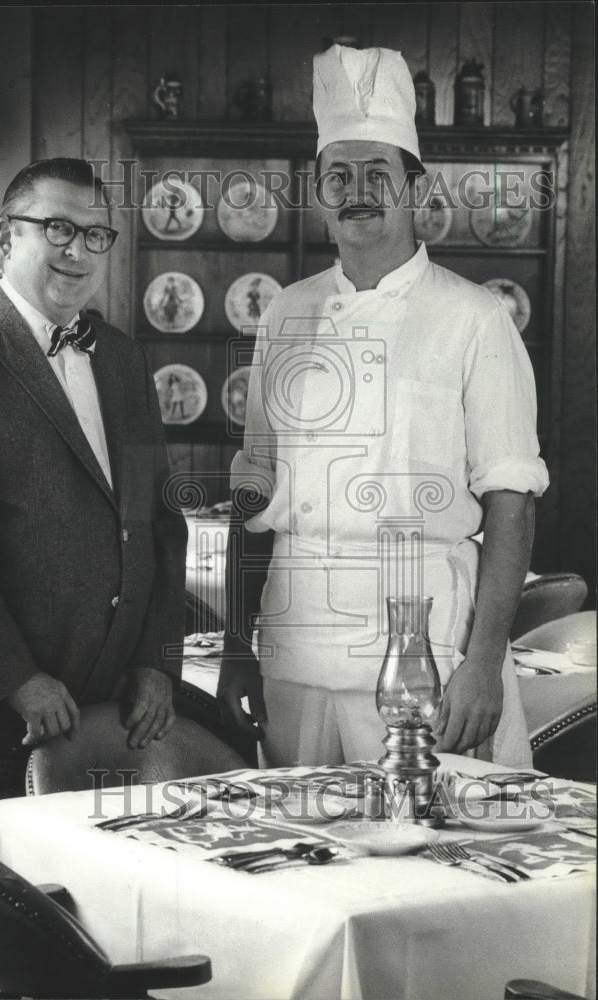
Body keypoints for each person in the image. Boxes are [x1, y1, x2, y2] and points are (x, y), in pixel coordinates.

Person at [0, 157, 187, 997]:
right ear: (3, 235)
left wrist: (157, 658)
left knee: (67, 952)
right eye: (56, 228)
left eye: (95, 234)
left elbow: (159, 522)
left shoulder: (120, 357)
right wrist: (15, 679)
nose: (77, 251)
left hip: (96, 715)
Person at [217, 44, 548, 770]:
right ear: (318, 189)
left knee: (433, 852)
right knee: (300, 850)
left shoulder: (473, 318)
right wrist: (239, 648)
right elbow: (255, 485)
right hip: (294, 637)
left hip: (424, 642)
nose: (357, 190)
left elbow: (511, 501)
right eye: (339, 173)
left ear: (412, 188)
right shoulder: (285, 315)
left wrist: (484, 661)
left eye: (377, 172)